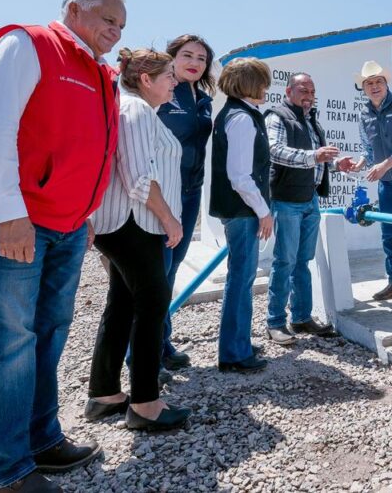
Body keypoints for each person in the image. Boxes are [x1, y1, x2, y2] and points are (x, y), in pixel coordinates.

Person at [0, 0, 124, 493]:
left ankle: (41, 440)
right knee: (10, 341)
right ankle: (7, 471)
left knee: (50, 332)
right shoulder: (28, 44)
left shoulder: (101, 72)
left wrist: (88, 214)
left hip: (69, 225)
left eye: (121, 27)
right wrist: (9, 213)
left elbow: (94, 150)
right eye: (109, 21)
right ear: (76, 11)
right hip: (21, 220)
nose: (116, 34)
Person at [86, 48, 192, 431]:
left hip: (124, 222)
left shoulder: (133, 108)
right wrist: (170, 219)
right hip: (134, 222)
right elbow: (138, 178)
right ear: (146, 79)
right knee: (153, 301)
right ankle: (146, 404)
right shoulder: (137, 110)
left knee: (124, 302)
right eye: (169, 77)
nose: (175, 82)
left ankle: (104, 393)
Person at [337, 61, 392, 308]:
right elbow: (368, 148)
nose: (374, 86)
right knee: (388, 230)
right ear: (363, 88)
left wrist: (384, 165)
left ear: (386, 84)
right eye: (369, 83)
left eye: (379, 81)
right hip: (386, 179)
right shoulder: (363, 114)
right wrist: (360, 164)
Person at [154, 34, 217, 372]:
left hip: (191, 191)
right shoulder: (162, 90)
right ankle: (143, 357)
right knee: (156, 270)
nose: (194, 62)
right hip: (163, 192)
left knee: (172, 267)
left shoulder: (204, 99)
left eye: (202, 58)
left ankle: (162, 343)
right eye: (187, 55)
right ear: (172, 58)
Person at [263, 73, 340, 344]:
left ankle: (301, 317)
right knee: (284, 261)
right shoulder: (277, 116)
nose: (308, 94)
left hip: (310, 200)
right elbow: (273, 150)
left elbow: (319, 158)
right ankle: (274, 322)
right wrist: (313, 156)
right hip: (286, 201)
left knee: (303, 262)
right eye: (303, 89)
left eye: (312, 90)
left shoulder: (311, 120)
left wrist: (337, 163)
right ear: (288, 90)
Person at [209, 57, 274, 372]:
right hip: (243, 211)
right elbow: (240, 177)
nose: (266, 89)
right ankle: (234, 353)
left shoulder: (238, 114)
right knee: (241, 278)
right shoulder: (242, 119)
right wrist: (264, 211)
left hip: (240, 211)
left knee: (242, 276)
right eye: (262, 82)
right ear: (250, 84)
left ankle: (238, 342)